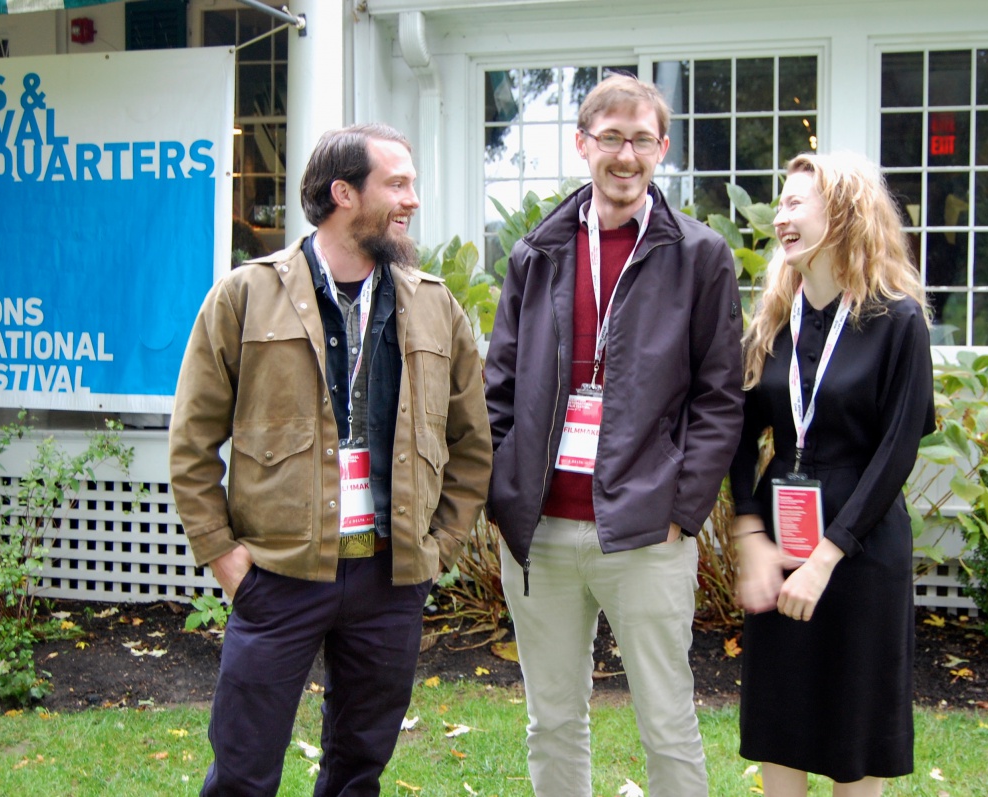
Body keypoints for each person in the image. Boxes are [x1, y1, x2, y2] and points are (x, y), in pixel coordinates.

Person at [169, 123, 492, 797]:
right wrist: (227, 559)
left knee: (358, 767)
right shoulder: (245, 296)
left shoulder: (434, 305)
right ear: (344, 193)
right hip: (280, 574)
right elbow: (192, 443)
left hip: (390, 575)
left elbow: (472, 443)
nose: (413, 201)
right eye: (397, 184)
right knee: (242, 769)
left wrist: (438, 546)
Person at [483, 73, 745, 797]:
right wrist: (507, 500)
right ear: (583, 145)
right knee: (552, 720)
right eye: (610, 139)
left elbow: (720, 397)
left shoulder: (700, 256)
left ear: (661, 148)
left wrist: (680, 510)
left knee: (667, 719)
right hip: (540, 533)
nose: (624, 156)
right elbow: (497, 386)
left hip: (645, 531)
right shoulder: (537, 252)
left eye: (640, 140)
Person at [728, 151, 935, 797]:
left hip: (862, 546)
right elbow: (735, 437)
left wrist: (825, 556)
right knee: (778, 717)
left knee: (856, 729)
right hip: (781, 533)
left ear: (843, 213)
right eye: (780, 204)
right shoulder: (771, 323)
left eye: (796, 203)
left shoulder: (896, 320)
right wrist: (749, 534)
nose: (781, 216)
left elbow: (897, 452)